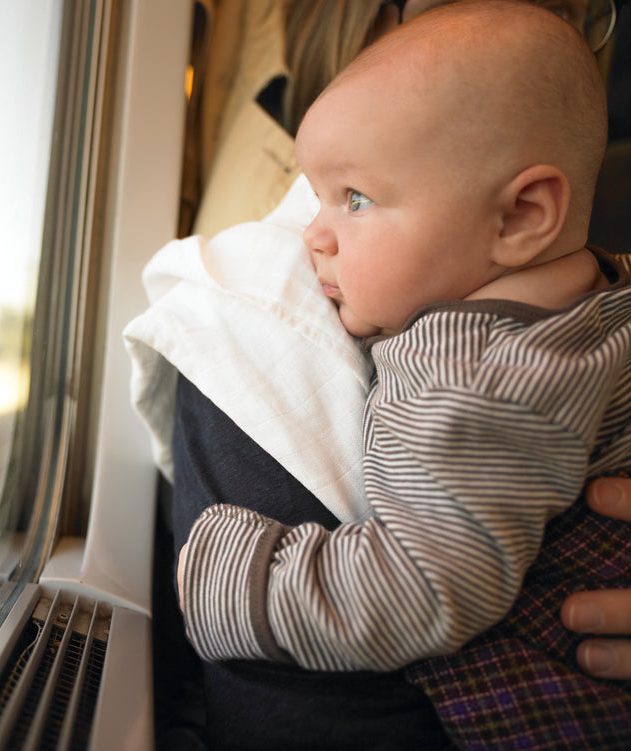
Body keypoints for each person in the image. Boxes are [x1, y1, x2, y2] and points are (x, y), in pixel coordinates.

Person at [169, 2, 630, 748]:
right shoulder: (604, 295)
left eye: (354, 199)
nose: (314, 235)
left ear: (520, 216)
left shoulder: (477, 382)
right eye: (317, 195)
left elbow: (424, 586)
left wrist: (236, 577)